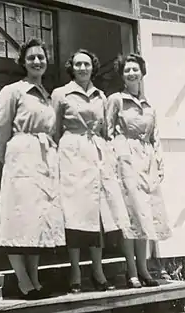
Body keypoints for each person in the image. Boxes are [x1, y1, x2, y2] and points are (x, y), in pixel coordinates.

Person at [51, 49, 132, 293]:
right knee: (75, 214)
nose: (83, 68)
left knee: (97, 213)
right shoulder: (60, 94)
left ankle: (97, 271)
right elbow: (54, 130)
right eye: (78, 64)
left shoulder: (101, 96)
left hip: (95, 154)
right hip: (71, 154)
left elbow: (106, 129)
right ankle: (75, 271)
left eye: (87, 64)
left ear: (92, 67)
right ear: (72, 68)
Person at [0, 38, 65, 300]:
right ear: (23, 62)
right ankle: (23, 280)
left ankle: (35, 279)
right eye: (31, 57)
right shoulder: (13, 91)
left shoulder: (47, 96)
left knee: (37, 220)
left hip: (45, 162)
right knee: (18, 219)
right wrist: (12, 161)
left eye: (41, 57)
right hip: (21, 158)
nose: (37, 61)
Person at [107, 53, 172, 288]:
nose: (132, 73)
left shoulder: (148, 105)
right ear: (122, 76)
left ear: (142, 73)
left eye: (135, 69)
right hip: (125, 159)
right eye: (127, 70)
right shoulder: (116, 100)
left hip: (146, 162)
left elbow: (155, 137)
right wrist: (114, 159)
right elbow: (108, 131)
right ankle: (131, 270)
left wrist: (159, 162)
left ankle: (144, 269)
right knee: (130, 215)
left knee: (145, 215)